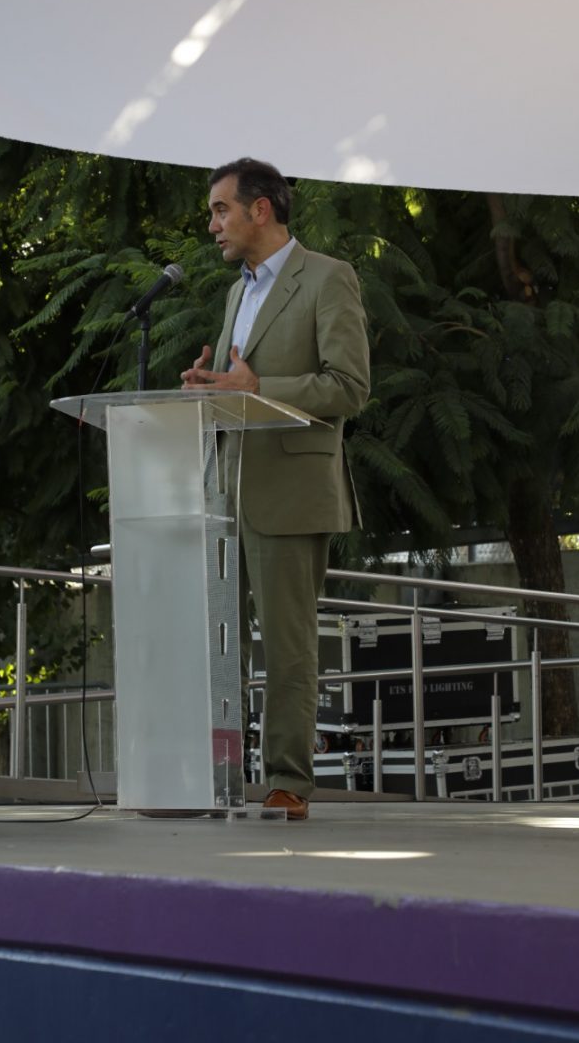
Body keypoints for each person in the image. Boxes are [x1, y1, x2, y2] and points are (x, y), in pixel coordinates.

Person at [181, 158, 370, 819]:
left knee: (288, 647)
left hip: (290, 490)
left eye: (221, 210)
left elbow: (349, 387)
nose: (212, 225)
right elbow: (240, 386)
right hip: (227, 492)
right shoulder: (237, 293)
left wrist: (259, 388)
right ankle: (220, 776)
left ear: (261, 210)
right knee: (220, 643)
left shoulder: (327, 278)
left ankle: (288, 782)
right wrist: (210, 391)